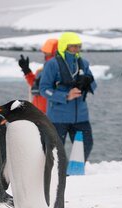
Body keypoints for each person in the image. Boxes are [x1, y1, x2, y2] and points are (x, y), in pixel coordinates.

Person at [39, 32, 97, 161]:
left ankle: (74, 171)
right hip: (58, 117)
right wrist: (66, 96)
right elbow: (44, 89)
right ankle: (58, 175)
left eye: (79, 46)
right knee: (55, 149)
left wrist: (88, 82)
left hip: (81, 116)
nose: (76, 49)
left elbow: (94, 86)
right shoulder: (52, 65)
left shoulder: (83, 63)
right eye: (73, 46)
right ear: (64, 46)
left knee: (87, 144)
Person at [18, 38, 58, 113]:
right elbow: (34, 84)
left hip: (51, 113)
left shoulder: (60, 71)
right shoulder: (41, 70)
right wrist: (26, 70)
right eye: (45, 53)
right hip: (37, 111)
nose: (45, 55)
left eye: (47, 53)